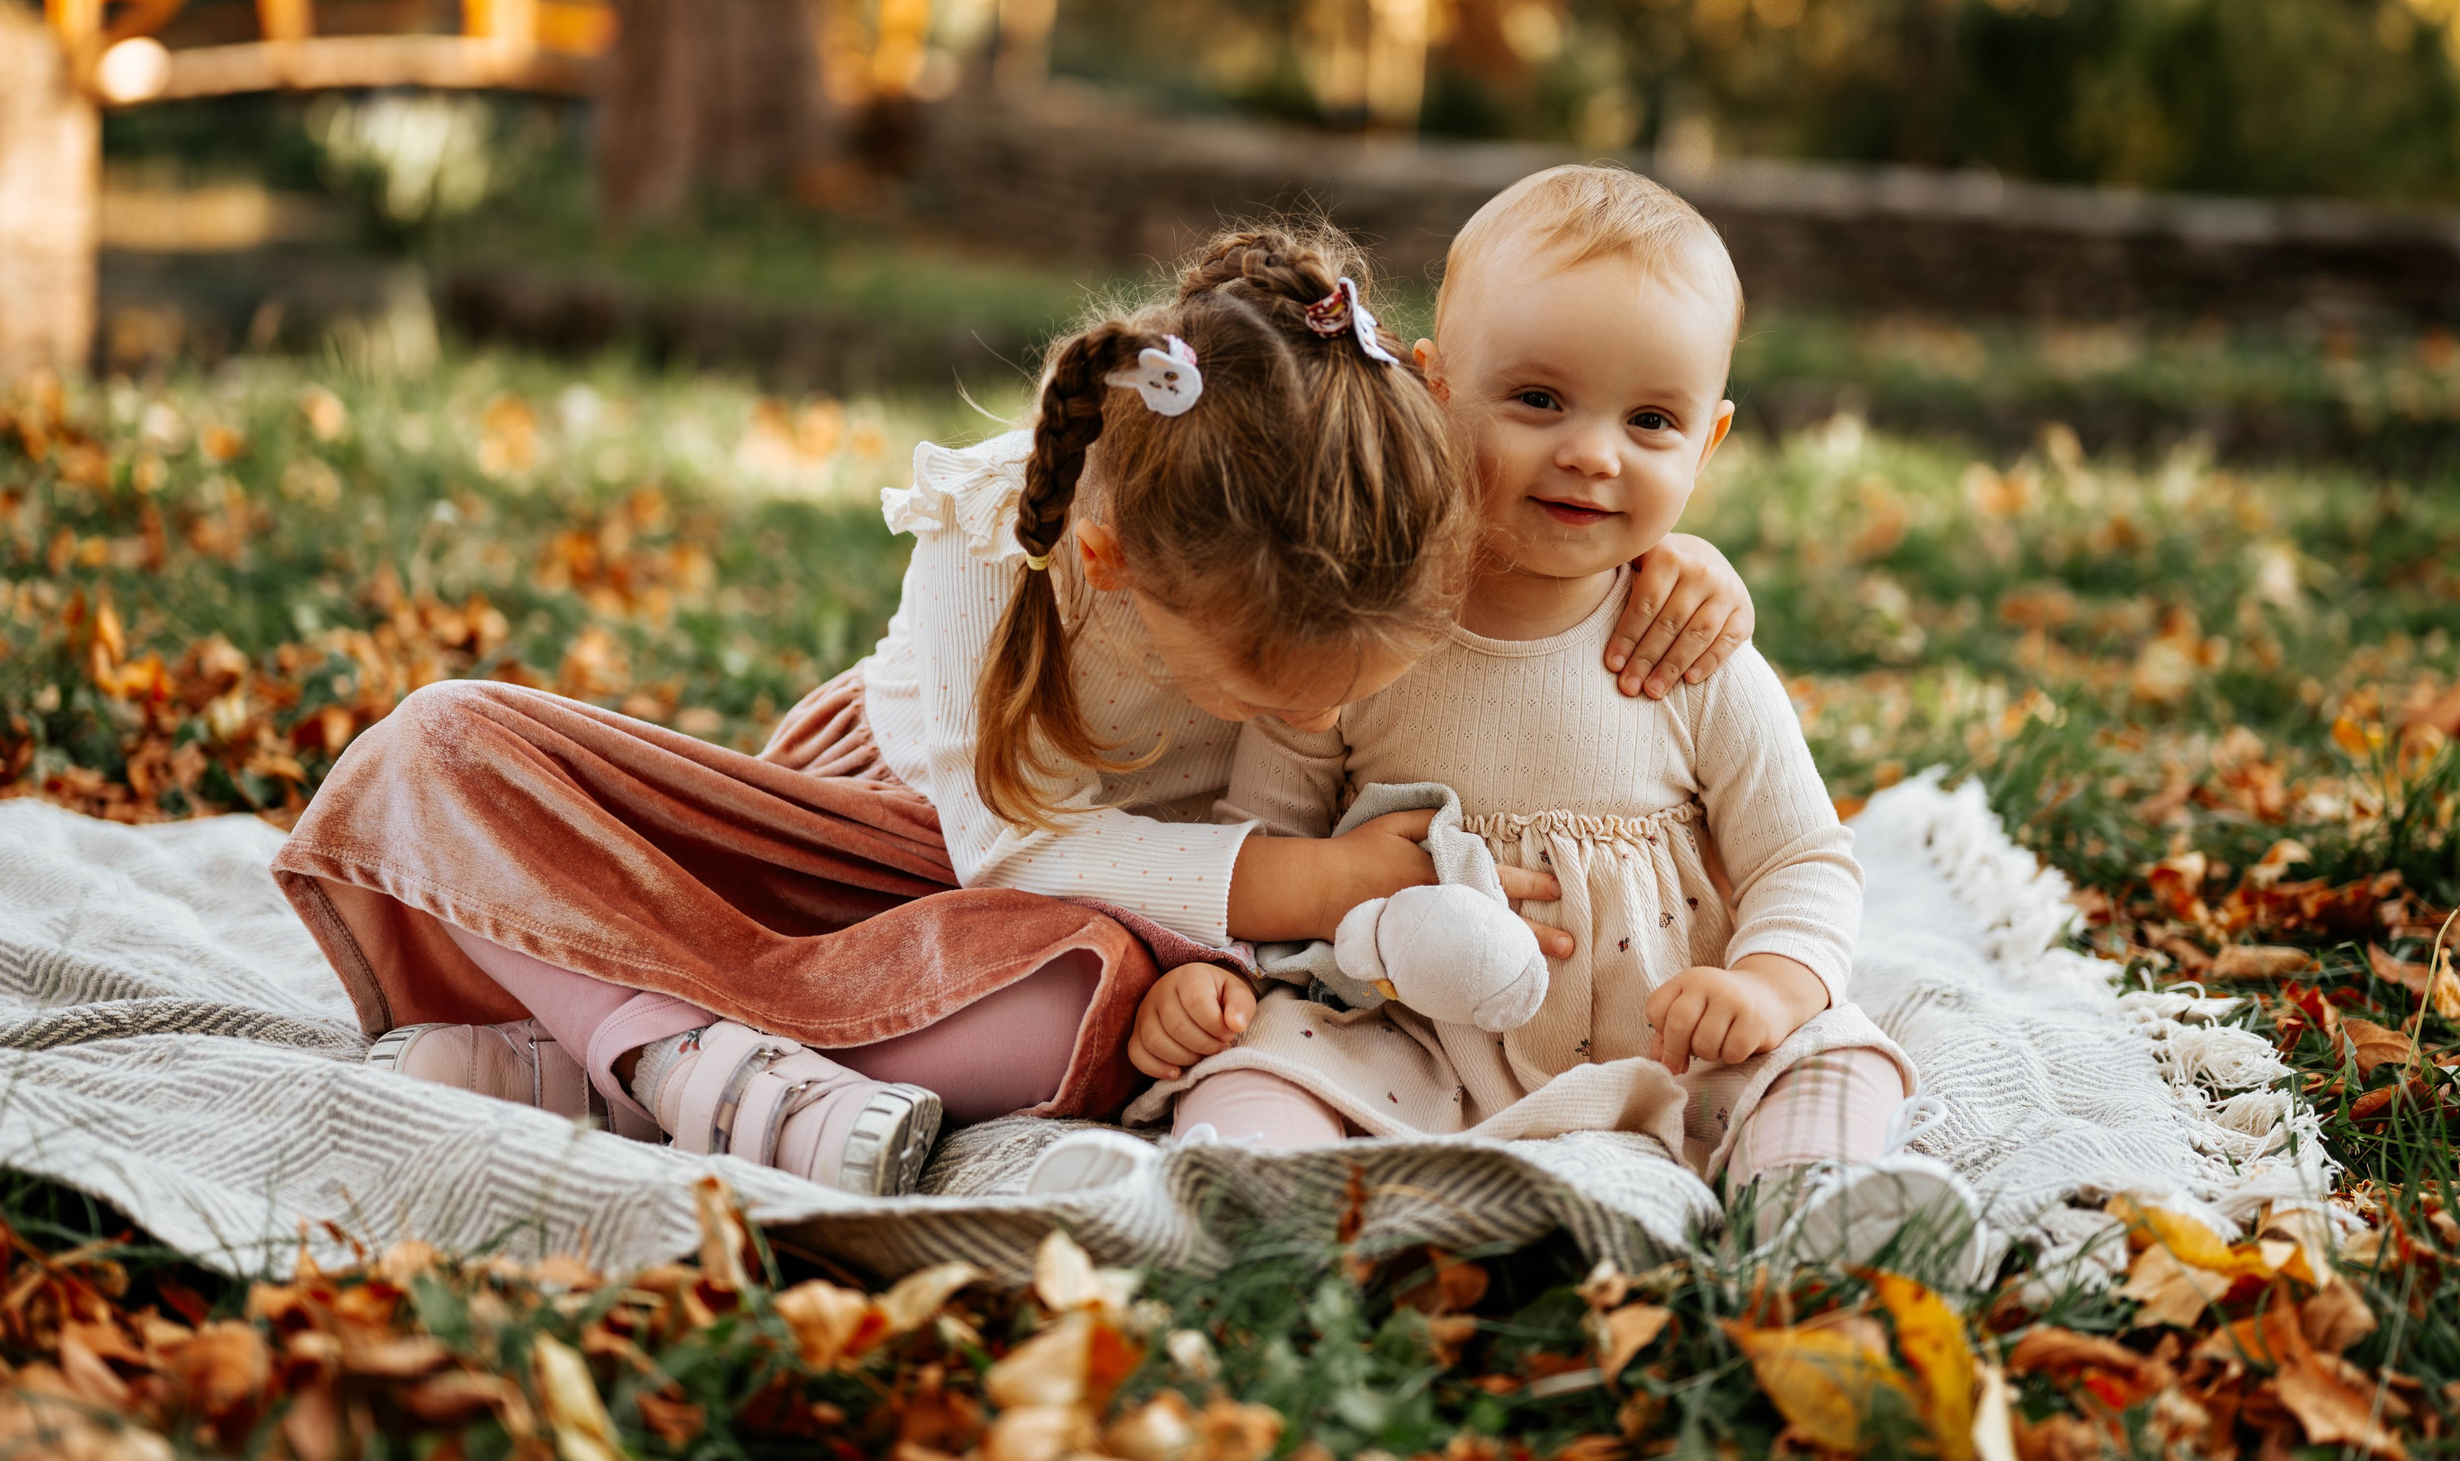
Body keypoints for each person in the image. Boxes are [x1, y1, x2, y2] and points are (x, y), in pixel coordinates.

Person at [276, 222, 1756, 1196]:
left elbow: (1560, 468)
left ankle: (589, 1060)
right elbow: (1002, 850)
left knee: (1107, 1001)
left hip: (1106, 923)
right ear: (1117, 565)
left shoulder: (1370, 483)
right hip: (899, 840)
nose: (1310, 722)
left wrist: (1672, 556)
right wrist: (1308, 885)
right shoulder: (996, 542)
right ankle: (676, 1058)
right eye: (1263, 692)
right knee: (440, 747)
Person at [1080, 170, 1988, 1278]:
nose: (1594, 452)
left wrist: (1764, 988)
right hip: (1415, 1032)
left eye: (1651, 420)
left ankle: (1810, 1209)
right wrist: (1214, 975)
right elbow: (1263, 841)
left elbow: (1802, 856)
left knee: (1837, 1049)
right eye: (1538, 400)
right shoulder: (1360, 623)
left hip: (1666, 1033)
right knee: (1259, 1065)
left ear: (1708, 445)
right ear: (1435, 387)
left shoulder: (1691, 647)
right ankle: (1267, 1201)